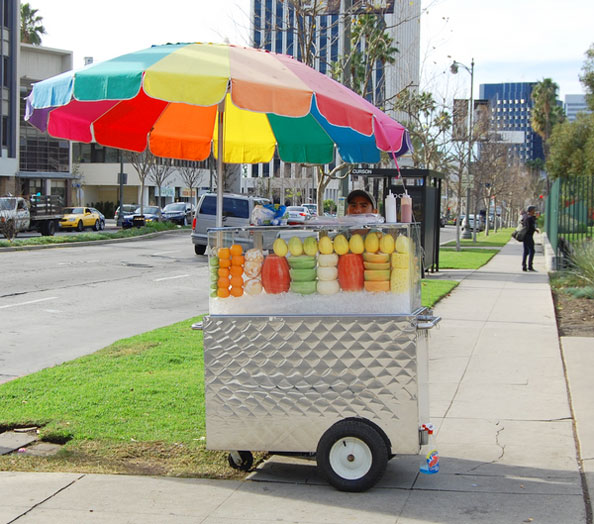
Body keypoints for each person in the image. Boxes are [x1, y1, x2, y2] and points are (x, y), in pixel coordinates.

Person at [521, 205, 539, 272]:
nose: (534, 211)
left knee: (526, 251)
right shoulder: (529, 218)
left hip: (525, 236)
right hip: (528, 236)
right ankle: (530, 266)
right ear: (531, 210)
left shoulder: (525, 216)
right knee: (532, 250)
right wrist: (535, 229)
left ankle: (524, 266)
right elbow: (530, 226)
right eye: (533, 210)